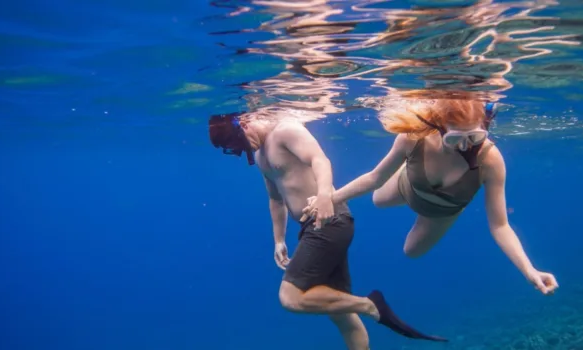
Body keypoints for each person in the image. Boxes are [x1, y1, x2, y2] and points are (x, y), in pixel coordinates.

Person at [207, 111, 447, 349]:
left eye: (239, 142)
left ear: (245, 123)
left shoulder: (285, 129)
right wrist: (278, 239)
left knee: (290, 297)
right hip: (314, 226)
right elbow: (275, 199)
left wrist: (324, 195)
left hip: (329, 220)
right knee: (340, 312)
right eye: (236, 148)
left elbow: (319, 159)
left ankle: (370, 305)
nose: (244, 149)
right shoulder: (260, 155)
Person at [305, 99, 559, 295]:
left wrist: (529, 270)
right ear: (438, 127)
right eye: (455, 139)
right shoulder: (414, 138)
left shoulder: (491, 161)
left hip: (443, 210)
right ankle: (407, 169)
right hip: (410, 186)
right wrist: (330, 198)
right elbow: (375, 178)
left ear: (485, 127)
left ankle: (419, 179)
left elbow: (500, 225)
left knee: (411, 251)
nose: (465, 146)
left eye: (474, 137)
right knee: (378, 200)